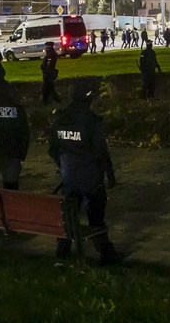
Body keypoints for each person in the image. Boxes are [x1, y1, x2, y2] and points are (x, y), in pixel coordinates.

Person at [48, 79, 120, 265]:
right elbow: (100, 152)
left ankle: (63, 249)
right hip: (90, 179)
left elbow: (53, 149)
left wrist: (64, 165)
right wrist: (109, 174)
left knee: (69, 215)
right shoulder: (90, 121)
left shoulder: (61, 119)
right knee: (96, 216)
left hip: (69, 178)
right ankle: (105, 252)